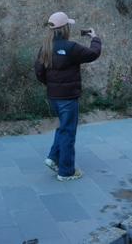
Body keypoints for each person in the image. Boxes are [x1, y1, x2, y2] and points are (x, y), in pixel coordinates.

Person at [34, 11, 101, 181]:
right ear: (65, 29)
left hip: (53, 97)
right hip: (68, 99)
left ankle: (53, 157)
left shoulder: (45, 48)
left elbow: (39, 72)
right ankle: (66, 171)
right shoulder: (71, 48)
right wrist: (95, 38)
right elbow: (93, 54)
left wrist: (51, 85)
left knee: (64, 127)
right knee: (68, 133)